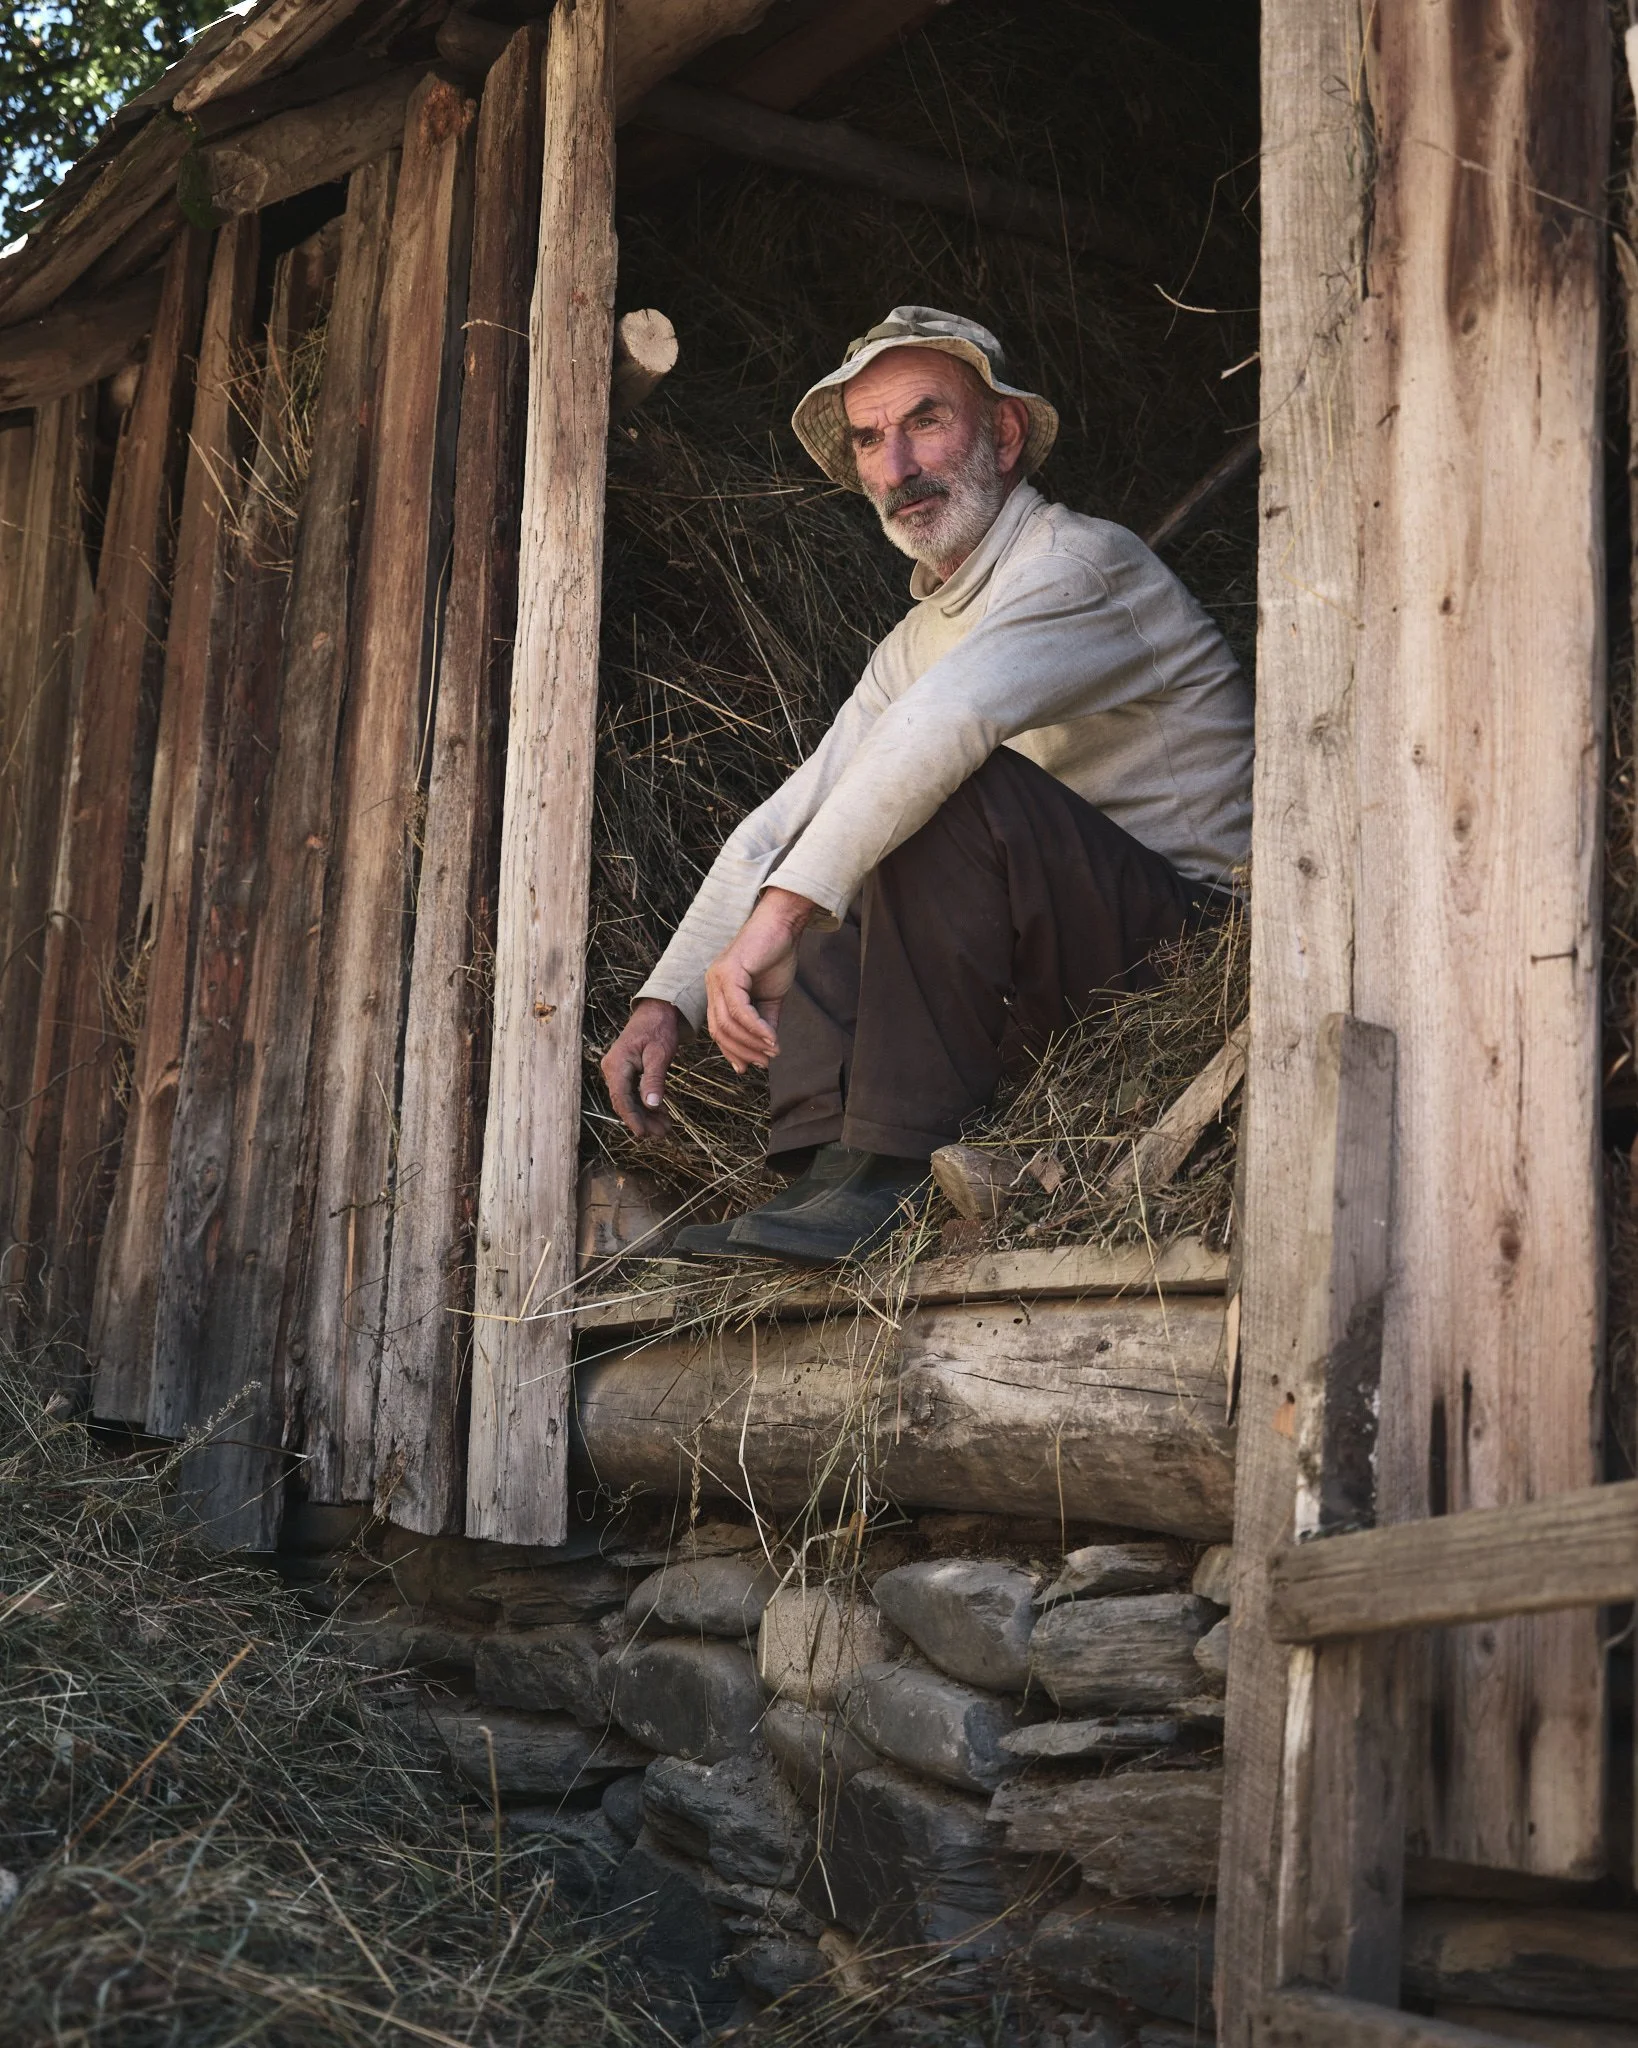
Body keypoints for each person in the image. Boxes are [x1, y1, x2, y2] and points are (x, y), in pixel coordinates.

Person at [601, 306, 1253, 1264]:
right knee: (850, 829)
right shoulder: (914, 642)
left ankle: (888, 1167)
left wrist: (775, 924)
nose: (896, 467)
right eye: (871, 439)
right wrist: (666, 1003)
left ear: (1005, 432)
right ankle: (832, 1167)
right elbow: (797, 811)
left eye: (925, 422)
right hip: (1054, 969)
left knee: (942, 793)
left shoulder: (1079, 564)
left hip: (1189, 954)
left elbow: (943, 729)